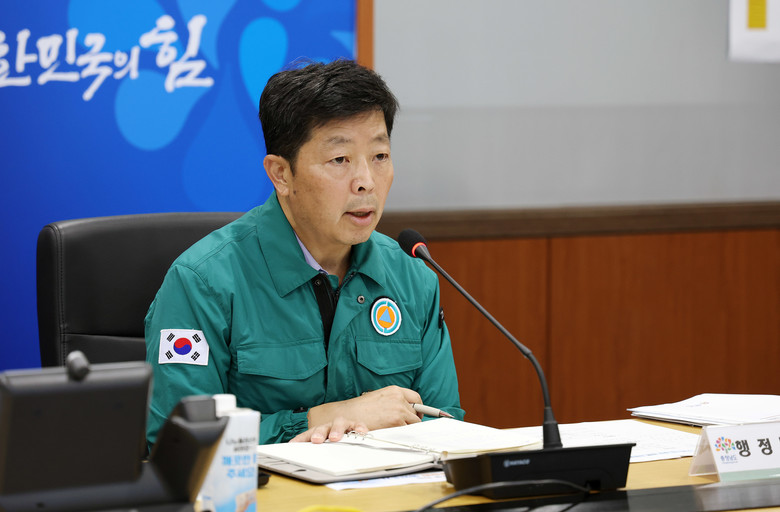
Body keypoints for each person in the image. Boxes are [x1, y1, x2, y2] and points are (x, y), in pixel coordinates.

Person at [144, 59, 463, 447]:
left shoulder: (413, 279)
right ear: (281, 174)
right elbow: (175, 442)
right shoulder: (203, 283)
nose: (366, 182)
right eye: (340, 160)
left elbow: (447, 427)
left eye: (380, 156)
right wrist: (319, 420)